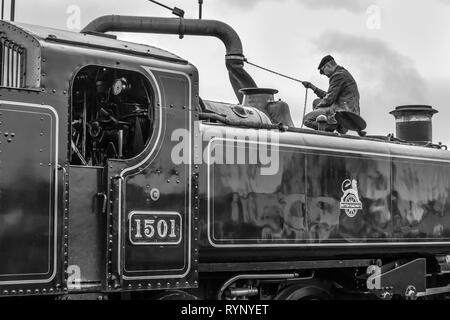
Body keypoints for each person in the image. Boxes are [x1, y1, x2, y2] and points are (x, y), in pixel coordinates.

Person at [302, 55, 360, 133]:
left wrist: (317, 109)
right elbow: (329, 95)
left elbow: (329, 99)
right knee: (316, 102)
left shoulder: (338, 75)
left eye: (323, 71)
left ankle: (332, 126)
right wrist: (312, 87)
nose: (325, 75)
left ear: (327, 66)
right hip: (346, 108)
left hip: (342, 111)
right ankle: (333, 125)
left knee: (307, 119)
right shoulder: (343, 73)